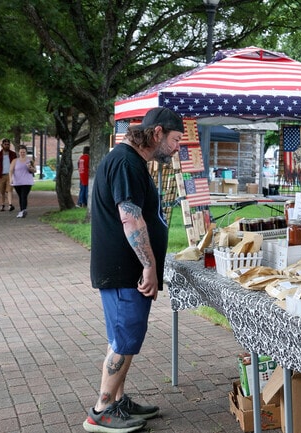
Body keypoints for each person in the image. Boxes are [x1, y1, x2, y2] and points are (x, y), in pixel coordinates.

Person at [84, 107, 184, 433]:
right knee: (125, 339)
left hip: (124, 269)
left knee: (123, 336)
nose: (177, 147)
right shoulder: (127, 162)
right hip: (124, 270)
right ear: (157, 133)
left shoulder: (130, 160)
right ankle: (101, 410)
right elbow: (130, 216)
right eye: (175, 139)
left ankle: (116, 401)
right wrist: (150, 266)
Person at [9, 145, 36, 218]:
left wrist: (30, 167)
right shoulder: (15, 161)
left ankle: (23, 210)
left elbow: (34, 171)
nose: (22, 153)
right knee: (20, 197)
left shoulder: (30, 161)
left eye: (24, 152)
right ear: (19, 152)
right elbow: (11, 170)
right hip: (17, 182)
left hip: (27, 182)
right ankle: (22, 211)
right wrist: (10, 179)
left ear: (26, 152)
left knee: (24, 196)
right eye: (21, 152)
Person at [0, 138, 17, 211]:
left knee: (9, 190)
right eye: (5, 144)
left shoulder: (13, 154)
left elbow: (16, 164)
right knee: (2, 191)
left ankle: (10, 205)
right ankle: (3, 204)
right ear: (2, 145)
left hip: (10, 175)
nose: (7, 146)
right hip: (1, 175)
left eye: (8, 144)